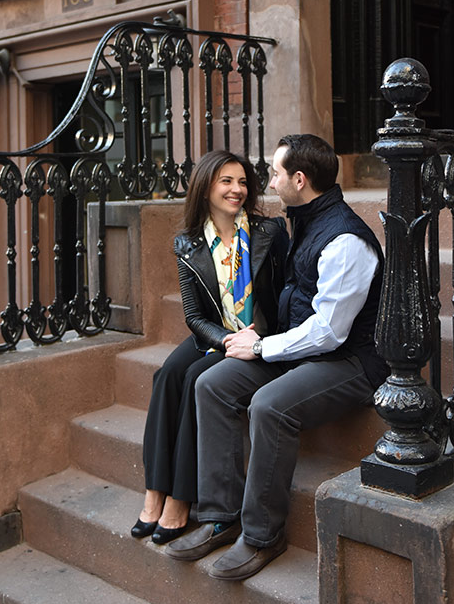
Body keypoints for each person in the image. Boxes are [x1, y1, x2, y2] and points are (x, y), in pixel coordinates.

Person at [164, 133, 385, 580]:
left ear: (299, 180)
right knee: (213, 383)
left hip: (349, 363)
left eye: (276, 172)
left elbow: (328, 332)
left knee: (269, 405)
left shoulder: (345, 240)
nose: (267, 180)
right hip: (299, 350)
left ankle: (263, 535)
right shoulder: (302, 219)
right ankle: (220, 515)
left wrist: (262, 345)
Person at [132, 150, 288, 545]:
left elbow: (286, 295)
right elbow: (193, 316)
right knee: (167, 374)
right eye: (226, 181)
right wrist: (223, 340)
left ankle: (181, 498)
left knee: (194, 380)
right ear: (205, 188)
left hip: (259, 335)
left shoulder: (269, 232)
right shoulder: (187, 244)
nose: (237, 189)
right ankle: (155, 491)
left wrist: (256, 341)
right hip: (216, 332)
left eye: (242, 182)